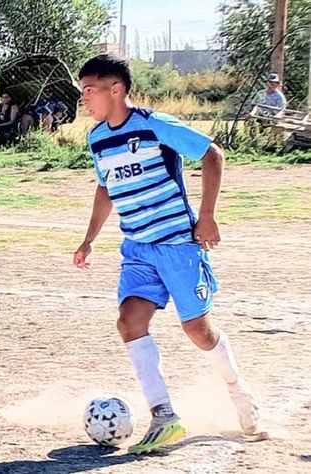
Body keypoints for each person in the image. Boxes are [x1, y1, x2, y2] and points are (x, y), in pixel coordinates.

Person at [73, 54, 261, 454]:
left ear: (116, 90)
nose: (84, 100)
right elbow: (105, 188)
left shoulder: (153, 125)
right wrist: (88, 239)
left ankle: (240, 394)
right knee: (129, 321)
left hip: (177, 244)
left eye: (89, 91)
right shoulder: (96, 139)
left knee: (198, 331)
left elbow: (212, 154)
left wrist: (207, 216)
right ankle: (164, 416)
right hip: (137, 248)